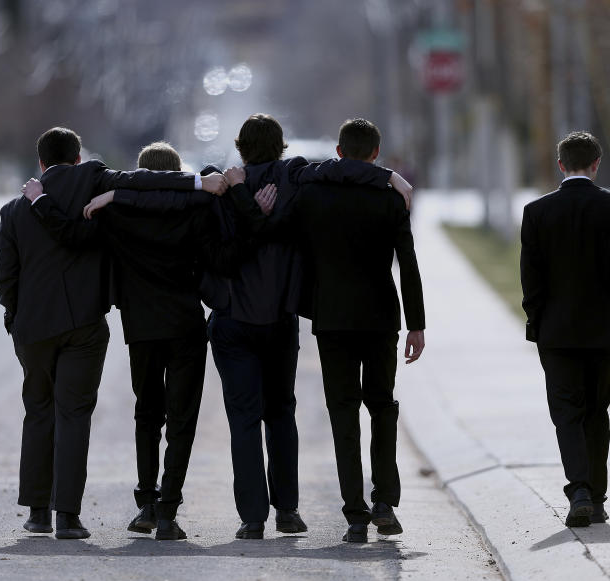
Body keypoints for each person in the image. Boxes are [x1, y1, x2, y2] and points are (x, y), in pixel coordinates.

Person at [87, 113, 413, 541]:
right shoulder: (297, 180)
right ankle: (288, 511)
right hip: (279, 319)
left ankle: (253, 517)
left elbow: (205, 246)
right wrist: (392, 176)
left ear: (240, 148)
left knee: (243, 419)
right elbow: (347, 163)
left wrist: (114, 195)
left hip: (233, 321)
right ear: (281, 147)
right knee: (281, 414)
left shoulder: (218, 188)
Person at [0, 127, 226, 540]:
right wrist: (197, 181)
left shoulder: (15, 210)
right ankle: (68, 515)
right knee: (74, 414)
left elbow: (6, 279)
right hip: (87, 324)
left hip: (35, 329)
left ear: (42, 164)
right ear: (79, 158)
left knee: (39, 411)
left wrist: (15, 318)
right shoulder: (96, 189)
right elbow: (144, 182)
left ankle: (36, 511)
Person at [292, 118, 425, 543]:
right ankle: (384, 501)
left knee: (343, 413)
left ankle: (354, 513)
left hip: (331, 318)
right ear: (375, 155)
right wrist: (417, 324)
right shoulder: (389, 198)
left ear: (338, 151)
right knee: (382, 406)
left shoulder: (312, 194)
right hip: (380, 316)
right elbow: (408, 263)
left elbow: (297, 170)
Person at [519, 131, 610, 528]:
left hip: (556, 331)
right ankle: (597, 497)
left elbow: (531, 278)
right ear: (596, 164)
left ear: (560, 165)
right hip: (604, 328)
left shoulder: (537, 212)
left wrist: (536, 321)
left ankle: (580, 489)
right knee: (596, 411)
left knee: (566, 413)